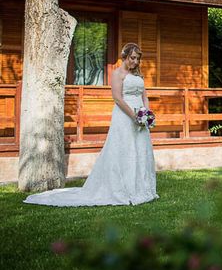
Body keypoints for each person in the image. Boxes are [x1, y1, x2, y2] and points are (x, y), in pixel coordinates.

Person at [24, 43, 159, 206]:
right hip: (125, 116)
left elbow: (145, 96)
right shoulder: (117, 74)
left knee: (140, 150)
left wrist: (146, 114)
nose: (135, 62)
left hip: (140, 118)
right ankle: (124, 188)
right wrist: (134, 116)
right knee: (124, 149)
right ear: (124, 56)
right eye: (132, 58)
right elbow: (118, 99)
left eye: (137, 59)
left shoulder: (138, 75)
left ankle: (142, 188)